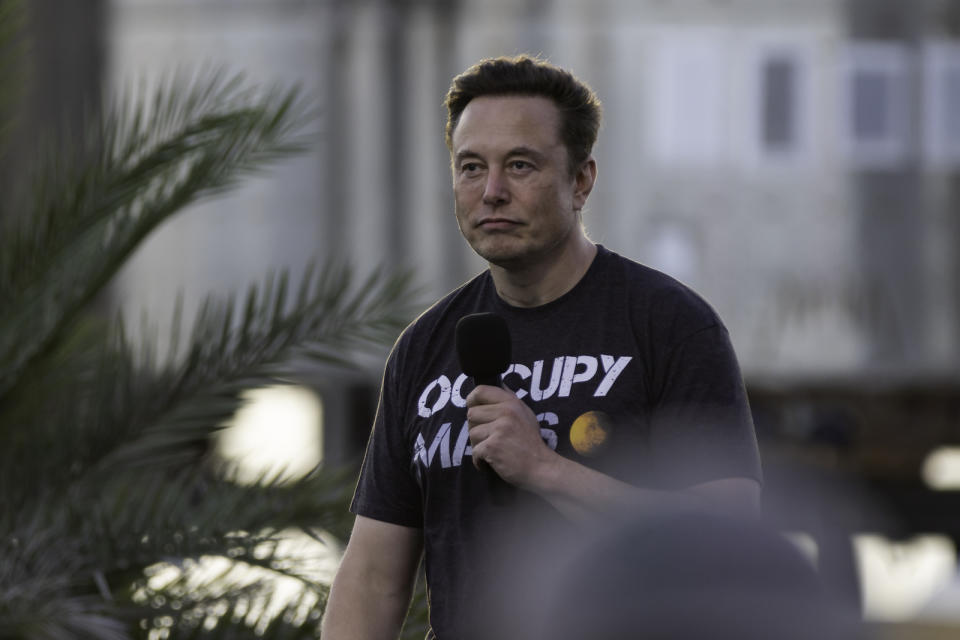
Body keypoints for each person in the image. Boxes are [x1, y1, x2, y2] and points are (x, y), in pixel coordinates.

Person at [322, 55, 763, 640]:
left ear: (581, 181)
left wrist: (544, 469)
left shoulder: (668, 325)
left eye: (521, 165)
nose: (492, 192)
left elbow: (727, 540)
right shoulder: (424, 347)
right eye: (471, 167)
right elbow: (374, 576)